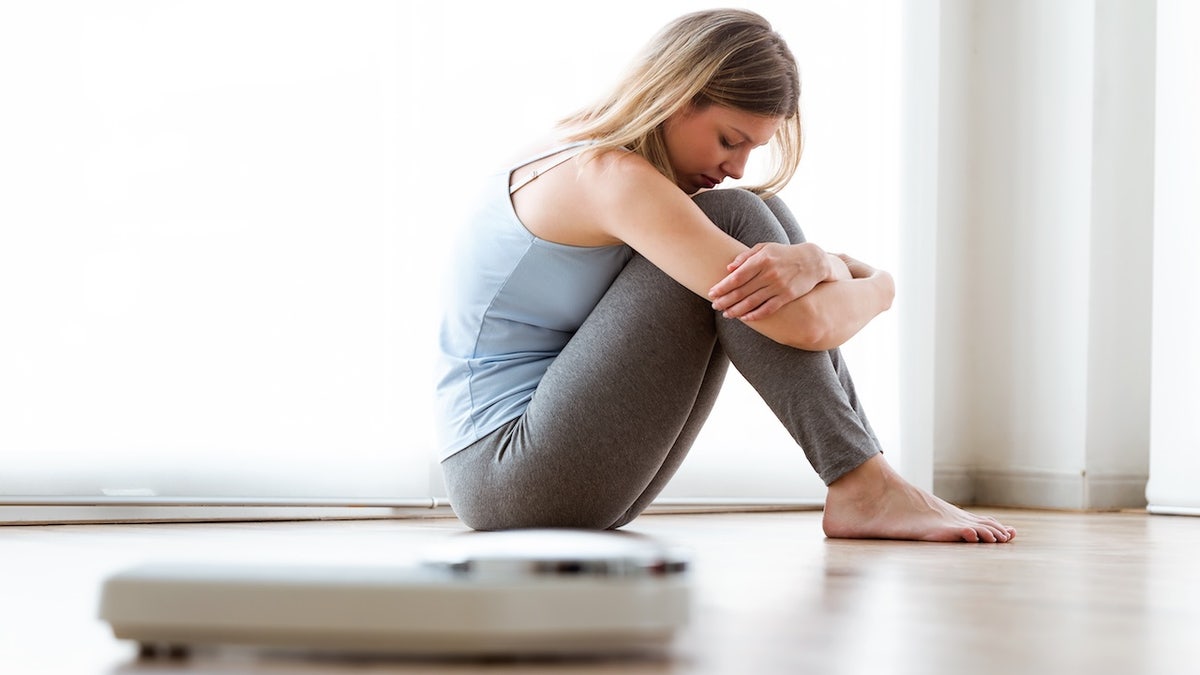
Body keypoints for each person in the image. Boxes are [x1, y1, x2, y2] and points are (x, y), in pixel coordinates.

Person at [435, 9, 1016, 543]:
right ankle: (864, 484)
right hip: (508, 474)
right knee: (739, 218)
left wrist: (819, 261)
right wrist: (881, 286)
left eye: (751, 148)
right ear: (676, 96)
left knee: (761, 221)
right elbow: (807, 326)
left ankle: (865, 481)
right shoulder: (608, 176)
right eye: (729, 140)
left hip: (556, 468)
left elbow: (799, 310)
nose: (736, 165)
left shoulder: (605, 160)